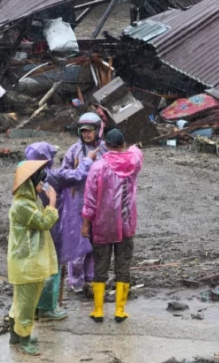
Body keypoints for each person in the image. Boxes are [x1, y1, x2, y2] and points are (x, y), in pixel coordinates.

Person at [24, 141, 99, 320]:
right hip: (53, 227)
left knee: (37, 266)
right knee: (52, 268)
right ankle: (47, 308)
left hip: (32, 226)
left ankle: (33, 306)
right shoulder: (53, 177)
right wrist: (87, 160)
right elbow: (79, 175)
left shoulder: (25, 178)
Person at [82, 129, 143, 323]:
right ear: (123, 144)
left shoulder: (97, 167)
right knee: (123, 266)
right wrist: (131, 147)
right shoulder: (133, 162)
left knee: (101, 266)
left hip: (103, 224)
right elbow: (137, 151)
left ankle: (99, 310)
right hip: (126, 224)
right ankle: (119, 310)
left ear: (105, 145)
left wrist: (86, 224)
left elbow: (90, 200)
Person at [8, 160, 59, 355]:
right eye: (39, 182)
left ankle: (15, 335)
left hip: (26, 261)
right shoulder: (23, 206)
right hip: (26, 263)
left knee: (20, 301)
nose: (42, 186)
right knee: (27, 303)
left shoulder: (29, 202)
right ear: (29, 183)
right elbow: (45, 222)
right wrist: (52, 203)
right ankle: (25, 340)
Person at [60, 112, 106, 295]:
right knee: (79, 243)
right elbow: (64, 173)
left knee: (95, 243)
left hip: (99, 204)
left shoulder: (105, 150)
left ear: (98, 131)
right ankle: (76, 281)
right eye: (83, 131)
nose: (87, 134)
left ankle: (91, 277)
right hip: (78, 202)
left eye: (90, 131)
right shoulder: (74, 150)